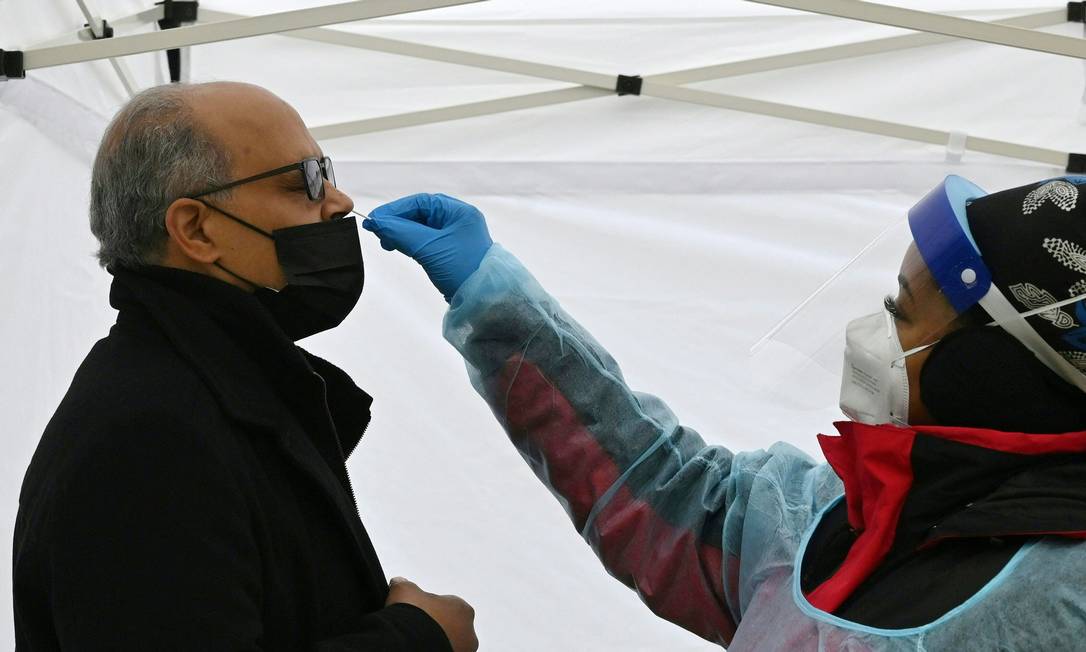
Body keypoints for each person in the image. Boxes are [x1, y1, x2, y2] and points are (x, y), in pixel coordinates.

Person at [363, 179, 1086, 649]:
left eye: (900, 311)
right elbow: (666, 494)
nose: (872, 333)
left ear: (997, 366)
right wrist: (498, 305)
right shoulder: (846, 518)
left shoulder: (1061, 597)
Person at [13, 82, 477, 652]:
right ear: (195, 229)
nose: (340, 201)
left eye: (327, 171)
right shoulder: (151, 435)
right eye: (305, 180)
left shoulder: (209, 392)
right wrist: (417, 639)